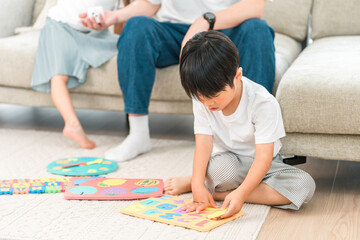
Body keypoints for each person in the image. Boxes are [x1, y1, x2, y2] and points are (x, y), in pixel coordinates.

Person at [81, 0, 276, 161]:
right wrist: (114, 17)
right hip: (174, 31)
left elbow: (254, 6)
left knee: (257, 29)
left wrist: (203, 22)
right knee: (136, 26)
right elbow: (151, 3)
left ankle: (258, 137)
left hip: (224, 30)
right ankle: (138, 134)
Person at [165, 31, 316, 218]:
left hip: (265, 165)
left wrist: (242, 193)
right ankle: (202, 184)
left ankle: (219, 193)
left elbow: (263, 158)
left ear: (237, 76)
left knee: (304, 185)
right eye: (200, 98)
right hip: (227, 162)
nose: (207, 104)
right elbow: (203, 144)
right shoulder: (202, 97)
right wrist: (197, 186)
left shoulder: (263, 103)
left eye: (213, 97)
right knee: (221, 169)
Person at [31, 0, 120, 149]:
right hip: (60, 26)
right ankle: (72, 125)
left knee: (126, 44)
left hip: (95, 34)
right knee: (59, 76)